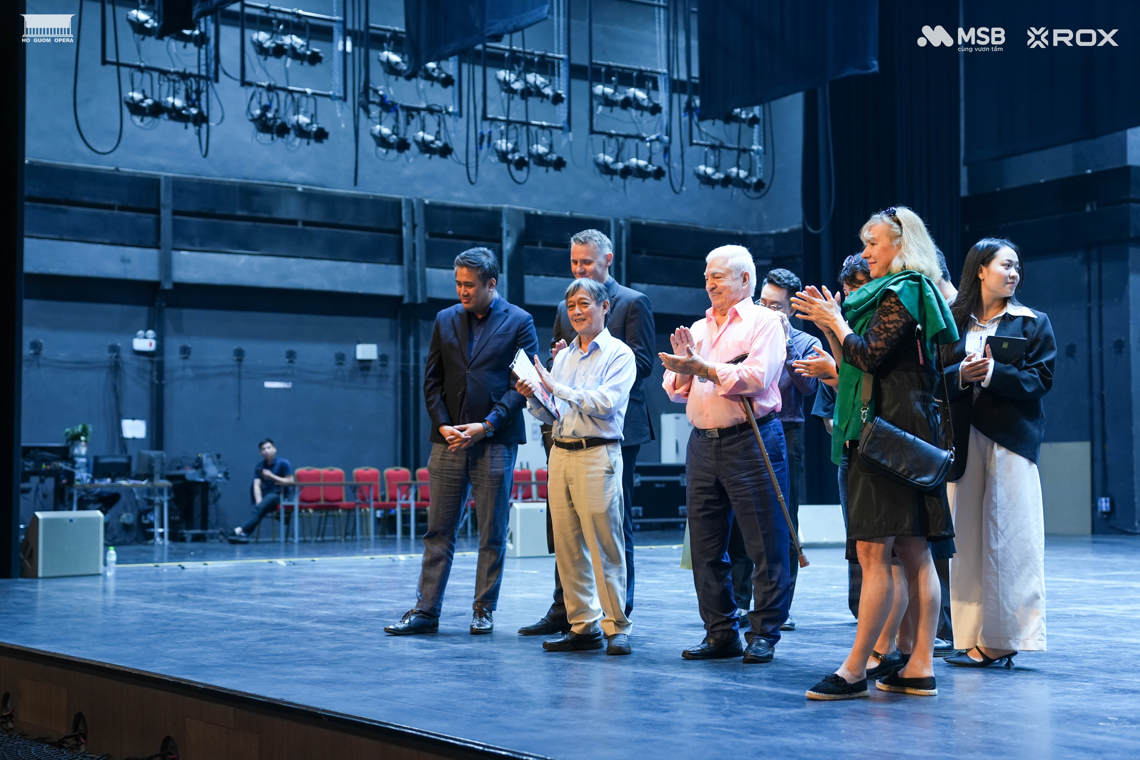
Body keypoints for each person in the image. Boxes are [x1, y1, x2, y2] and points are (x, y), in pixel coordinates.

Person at [793, 206, 958, 700]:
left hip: (887, 431)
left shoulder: (904, 289)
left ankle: (855, 669)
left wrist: (836, 320)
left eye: (873, 243)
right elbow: (855, 363)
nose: (865, 252)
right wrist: (833, 326)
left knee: (877, 551)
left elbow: (866, 355)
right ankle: (917, 666)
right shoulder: (895, 292)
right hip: (895, 427)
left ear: (901, 245)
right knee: (910, 549)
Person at [385, 248, 539, 636]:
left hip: (495, 440)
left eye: (469, 285)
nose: (462, 291)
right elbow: (432, 381)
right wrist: (442, 427)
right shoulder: (445, 319)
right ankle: (426, 611)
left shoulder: (520, 321)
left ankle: (483, 610)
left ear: (492, 283)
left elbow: (521, 387)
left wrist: (486, 425)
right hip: (448, 442)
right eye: (458, 284)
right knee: (438, 531)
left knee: (492, 532)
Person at [519, 229, 655, 636]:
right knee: (565, 531)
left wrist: (587, 376)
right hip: (566, 431)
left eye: (587, 263)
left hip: (613, 430)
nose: (579, 269)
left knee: (611, 528)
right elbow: (558, 363)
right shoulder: (566, 311)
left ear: (607, 261)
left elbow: (642, 364)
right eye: (574, 262)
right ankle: (572, 614)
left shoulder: (631, 303)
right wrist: (544, 384)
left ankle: (618, 615)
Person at [660, 245, 790, 665]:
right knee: (705, 546)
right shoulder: (699, 328)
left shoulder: (765, 322)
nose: (709, 283)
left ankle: (764, 632)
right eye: (707, 276)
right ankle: (720, 632)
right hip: (702, 443)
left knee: (764, 542)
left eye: (718, 276)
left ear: (745, 280)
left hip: (750, 439)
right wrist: (684, 369)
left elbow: (757, 377)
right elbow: (673, 389)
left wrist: (703, 368)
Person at [942, 238, 1054, 668]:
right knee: (965, 540)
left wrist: (991, 373)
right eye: (1006, 265)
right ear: (980, 270)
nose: (1014, 274)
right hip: (962, 440)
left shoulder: (1032, 322)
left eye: (1017, 267)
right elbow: (932, 377)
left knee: (1012, 538)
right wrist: (960, 373)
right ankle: (971, 635)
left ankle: (1005, 639)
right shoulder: (952, 322)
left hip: (1010, 441)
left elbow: (1040, 380)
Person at [743, 267, 823, 632]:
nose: (766, 310)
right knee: (740, 521)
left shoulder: (805, 342)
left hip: (786, 432)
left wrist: (786, 342)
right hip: (744, 429)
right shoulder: (747, 332)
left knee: (784, 520)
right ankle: (739, 603)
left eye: (775, 306)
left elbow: (808, 389)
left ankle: (779, 608)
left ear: (791, 309)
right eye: (762, 302)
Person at [799, 255, 871, 620]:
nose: (852, 294)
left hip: (882, 446)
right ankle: (862, 609)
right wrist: (830, 330)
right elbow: (833, 413)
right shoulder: (844, 331)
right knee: (856, 537)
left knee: (889, 544)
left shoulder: (879, 330)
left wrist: (835, 372)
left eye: (859, 286)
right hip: (849, 449)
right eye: (847, 288)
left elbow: (867, 384)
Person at [229, 438, 292, 543]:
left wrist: (272, 476)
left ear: (274, 449)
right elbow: (256, 485)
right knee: (259, 510)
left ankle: (238, 531)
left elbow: (290, 481)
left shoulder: (283, 463)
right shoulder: (260, 466)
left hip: (278, 494)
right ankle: (244, 535)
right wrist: (259, 502)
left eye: (268, 448)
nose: (266, 451)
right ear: (260, 452)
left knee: (259, 510)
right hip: (266, 495)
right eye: (263, 449)